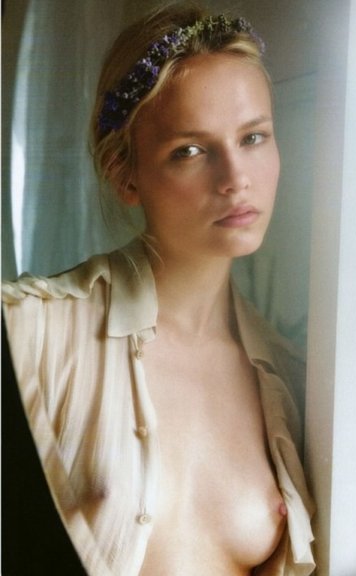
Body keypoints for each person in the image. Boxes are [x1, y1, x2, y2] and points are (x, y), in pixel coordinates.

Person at [2, 2, 315, 575]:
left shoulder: (295, 383)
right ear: (125, 174)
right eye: (189, 150)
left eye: (253, 137)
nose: (236, 179)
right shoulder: (27, 333)